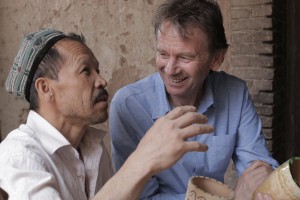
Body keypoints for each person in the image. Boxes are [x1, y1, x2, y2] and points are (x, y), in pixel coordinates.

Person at [0, 28, 214, 200]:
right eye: (85, 71)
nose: (102, 81)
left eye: (98, 70)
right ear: (46, 88)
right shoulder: (19, 156)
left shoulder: (93, 149)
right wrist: (142, 159)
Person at [109, 0, 279, 199]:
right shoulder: (128, 105)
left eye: (185, 57)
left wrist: (261, 183)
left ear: (216, 59)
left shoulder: (235, 92)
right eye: (163, 54)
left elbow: (257, 167)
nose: (170, 69)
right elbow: (140, 196)